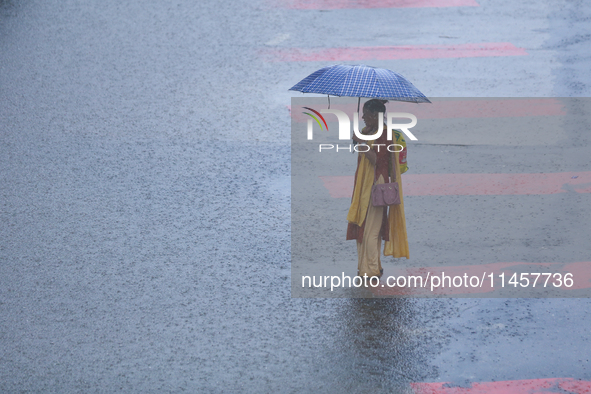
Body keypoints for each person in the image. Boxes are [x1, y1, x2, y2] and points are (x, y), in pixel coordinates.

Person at [346, 99, 410, 279]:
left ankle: (371, 269)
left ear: (375, 116)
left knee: (371, 230)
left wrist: (360, 141)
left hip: (377, 184)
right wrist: (358, 138)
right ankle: (369, 266)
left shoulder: (384, 134)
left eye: (366, 114)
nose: (363, 117)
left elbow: (376, 160)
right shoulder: (368, 131)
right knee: (362, 225)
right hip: (363, 182)